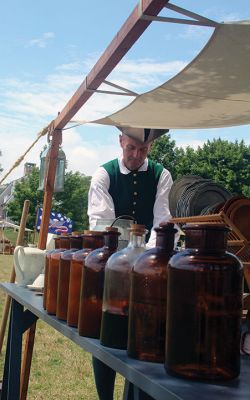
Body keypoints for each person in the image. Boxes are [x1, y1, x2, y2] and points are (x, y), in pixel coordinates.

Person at [87, 126, 175, 400]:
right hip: (112, 266)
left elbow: (163, 223)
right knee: (109, 333)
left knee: (147, 334)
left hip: (149, 268)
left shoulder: (162, 175)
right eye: (131, 148)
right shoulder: (104, 174)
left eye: (144, 150)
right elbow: (104, 227)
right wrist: (124, 263)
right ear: (120, 141)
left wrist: (145, 263)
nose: (137, 155)